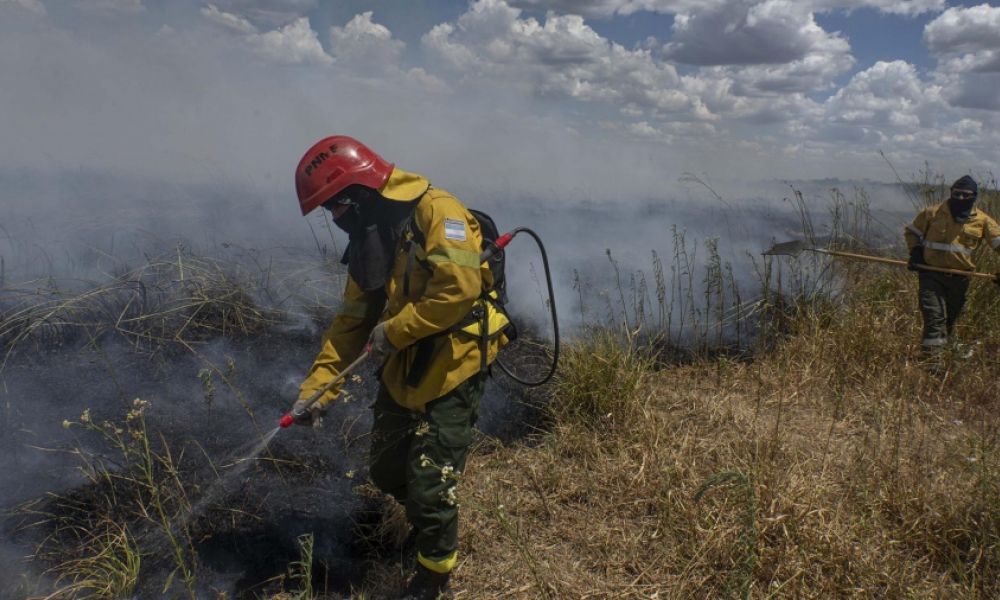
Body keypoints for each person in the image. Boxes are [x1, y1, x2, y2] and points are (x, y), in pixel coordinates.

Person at [290, 135, 507, 599]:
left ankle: (434, 575)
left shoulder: (437, 211)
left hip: (456, 360)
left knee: (430, 484)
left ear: (357, 193)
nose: (335, 219)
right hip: (405, 362)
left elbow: (458, 290)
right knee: (388, 472)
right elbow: (351, 322)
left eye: (334, 208)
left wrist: (393, 331)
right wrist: (318, 389)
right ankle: (429, 521)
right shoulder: (373, 235)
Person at [904, 175, 1000, 366]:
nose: (961, 199)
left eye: (966, 195)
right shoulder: (932, 213)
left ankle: (942, 354)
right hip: (930, 275)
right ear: (951, 193)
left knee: (948, 323)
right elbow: (912, 232)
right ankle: (933, 365)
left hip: (960, 280)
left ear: (974, 197)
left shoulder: (983, 221)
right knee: (934, 320)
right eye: (957, 194)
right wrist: (915, 252)